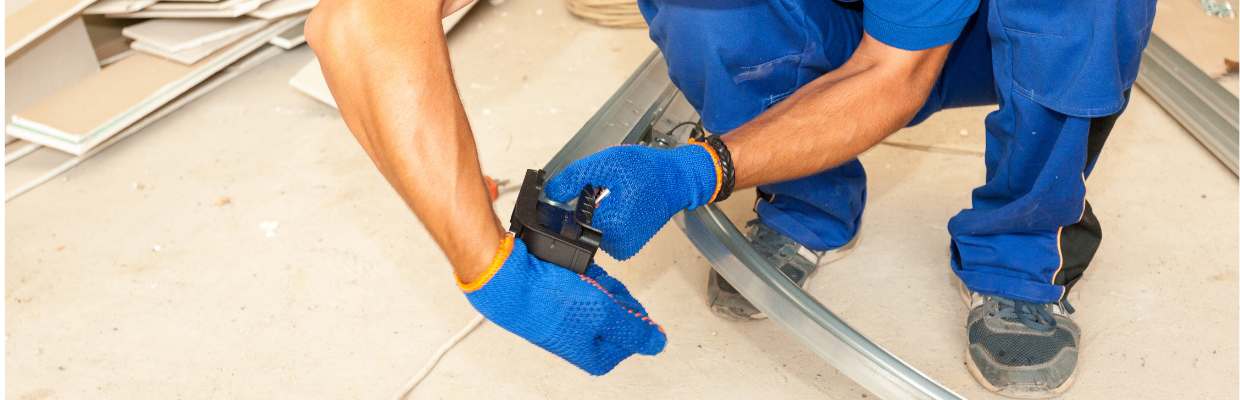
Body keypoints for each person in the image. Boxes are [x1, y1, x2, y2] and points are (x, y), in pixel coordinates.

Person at [306, 0, 1154, 396]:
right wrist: (487, 264)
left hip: (971, 34)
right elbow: (360, 19)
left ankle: (1019, 255)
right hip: (853, 21)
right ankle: (802, 203)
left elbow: (893, 73)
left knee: (1084, 13)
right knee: (703, 7)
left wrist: (693, 171)